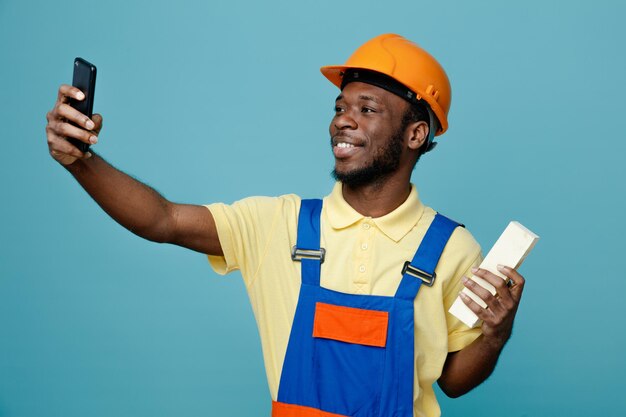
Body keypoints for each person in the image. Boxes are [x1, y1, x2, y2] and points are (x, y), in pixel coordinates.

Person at [45, 34, 525, 417]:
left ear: (416, 133)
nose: (343, 121)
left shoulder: (454, 249)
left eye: (367, 109)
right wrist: (80, 162)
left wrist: (495, 336)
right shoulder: (279, 225)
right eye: (340, 107)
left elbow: (454, 382)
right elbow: (162, 219)